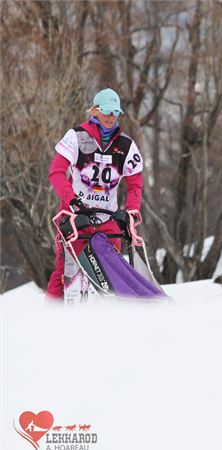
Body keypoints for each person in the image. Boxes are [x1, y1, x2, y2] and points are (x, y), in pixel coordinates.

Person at [46, 88, 144, 299]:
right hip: (75, 218)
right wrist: (72, 200)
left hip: (108, 220)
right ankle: (50, 319)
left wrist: (131, 211)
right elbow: (56, 172)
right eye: (107, 111)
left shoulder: (126, 145)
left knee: (112, 275)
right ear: (95, 111)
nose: (111, 117)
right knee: (66, 273)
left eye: (115, 112)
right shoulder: (77, 136)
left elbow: (135, 182)